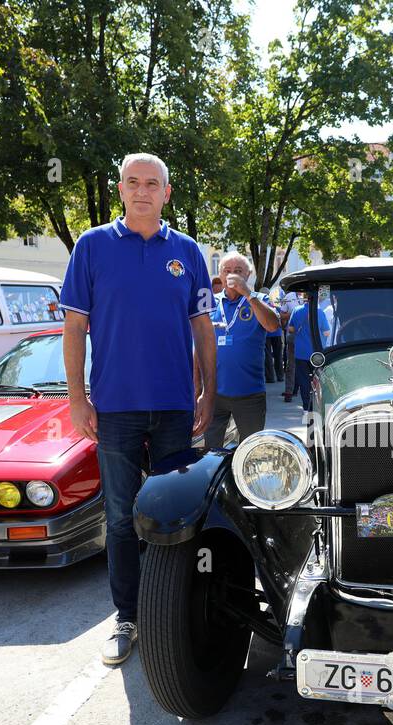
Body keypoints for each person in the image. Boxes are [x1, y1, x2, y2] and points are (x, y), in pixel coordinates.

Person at [60, 152, 216, 666]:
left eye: (153, 183)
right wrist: (78, 398)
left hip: (174, 405)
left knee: (173, 515)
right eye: (133, 182)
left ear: (167, 192)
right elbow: (75, 328)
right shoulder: (91, 246)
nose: (143, 190)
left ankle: (170, 609)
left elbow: (202, 329)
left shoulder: (188, 251)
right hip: (116, 409)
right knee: (123, 519)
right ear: (120, 190)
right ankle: (127, 616)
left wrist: (208, 392)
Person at [206, 252, 279, 447]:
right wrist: (199, 390)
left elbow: (273, 326)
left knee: (250, 451)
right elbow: (199, 348)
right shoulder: (210, 302)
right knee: (211, 451)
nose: (232, 275)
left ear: (248, 274)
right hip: (215, 394)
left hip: (249, 394)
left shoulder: (260, 299)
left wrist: (248, 294)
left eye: (238, 271)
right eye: (227, 271)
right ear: (220, 275)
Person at [287, 293, 331, 413]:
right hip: (316, 353)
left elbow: (290, 329)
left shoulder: (296, 310)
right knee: (319, 380)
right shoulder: (320, 312)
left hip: (300, 352)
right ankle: (318, 406)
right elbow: (327, 332)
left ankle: (306, 406)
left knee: (303, 381)